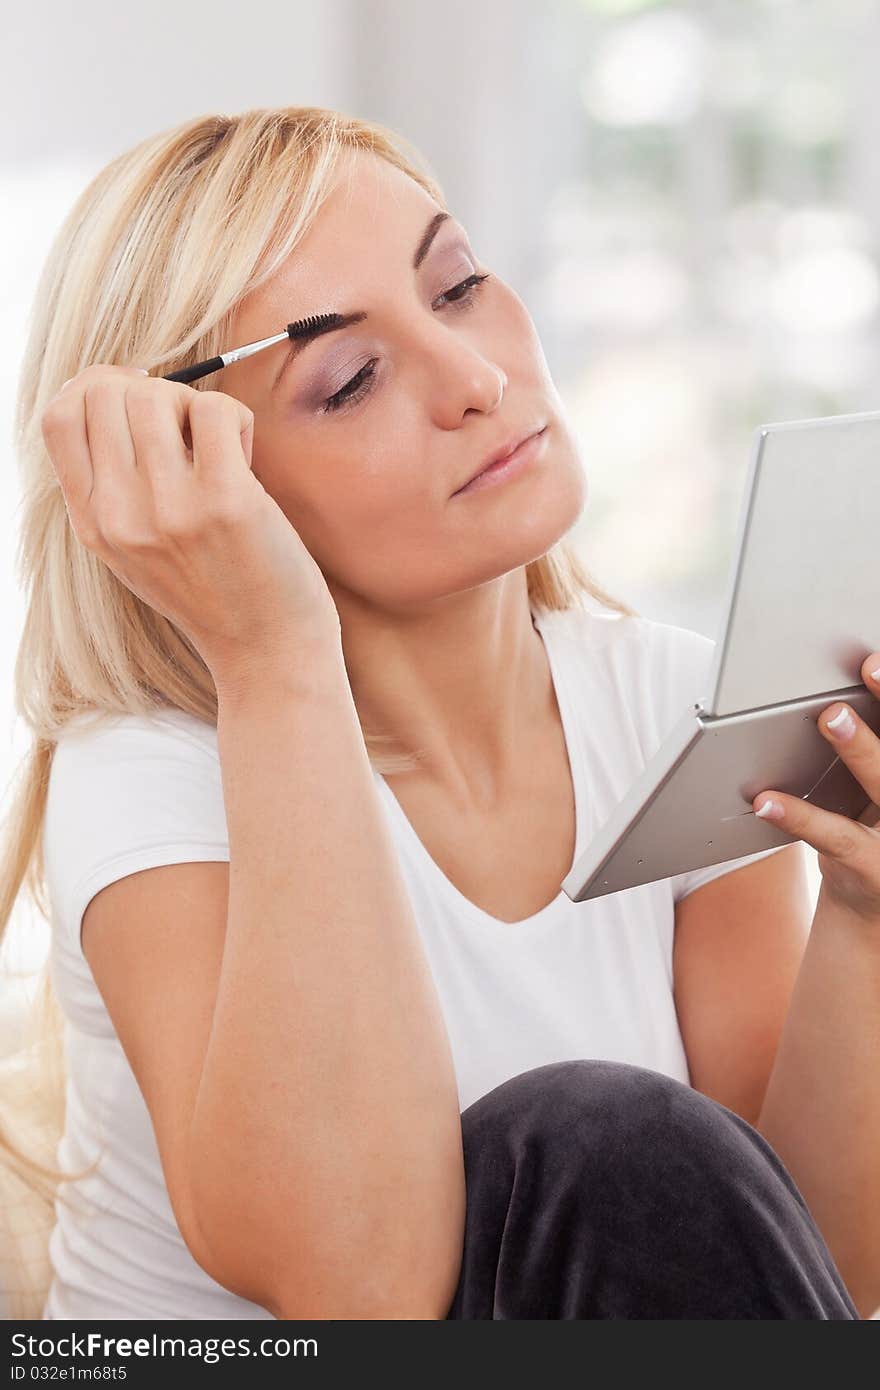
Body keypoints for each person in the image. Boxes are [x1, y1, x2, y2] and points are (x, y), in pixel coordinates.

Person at [1, 106, 873, 1320]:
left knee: (627, 1156)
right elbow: (355, 1286)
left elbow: (786, 1261)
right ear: (199, 482)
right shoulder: (151, 771)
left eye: (457, 286)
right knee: (587, 1139)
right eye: (350, 379)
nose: (477, 380)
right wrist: (271, 652)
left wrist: (862, 913)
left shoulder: (667, 703)